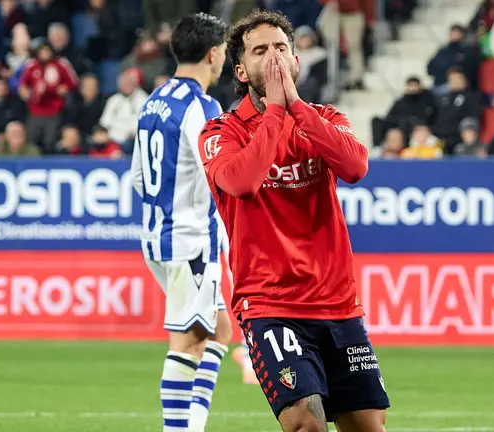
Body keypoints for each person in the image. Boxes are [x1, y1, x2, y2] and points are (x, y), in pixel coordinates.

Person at [199, 10, 388, 432]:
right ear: (241, 70)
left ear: (296, 60)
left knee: (369, 428)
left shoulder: (326, 119)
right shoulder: (221, 132)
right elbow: (243, 182)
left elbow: (356, 167)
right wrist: (276, 115)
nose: (274, 58)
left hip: (338, 304)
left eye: (281, 48)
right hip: (271, 305)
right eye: (260, 51)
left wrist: (297, 109)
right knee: (306, 424)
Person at [130, 14, 231, 432]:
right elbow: (218, 171)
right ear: (213, 53)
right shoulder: (202, 106)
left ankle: (192, 425)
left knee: (221, 330)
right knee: (188, 344)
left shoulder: (153, 101)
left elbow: (138, 177)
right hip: (189, 241)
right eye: (224, 51)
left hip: (157, 236)